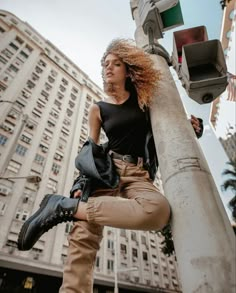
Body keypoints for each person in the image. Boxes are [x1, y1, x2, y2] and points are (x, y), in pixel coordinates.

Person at [17, 39, 203, 293]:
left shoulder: (145, 101)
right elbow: (90, 150)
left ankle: (64, 207)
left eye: (116, 63)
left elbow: (167, 126)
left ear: (127, 70)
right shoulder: (98, 109)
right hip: (107, 170)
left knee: (158, 211)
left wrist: (189, 127)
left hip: (139, 174)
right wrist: (79, 186)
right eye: (106, 64)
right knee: (83, 237)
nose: (109, 67)